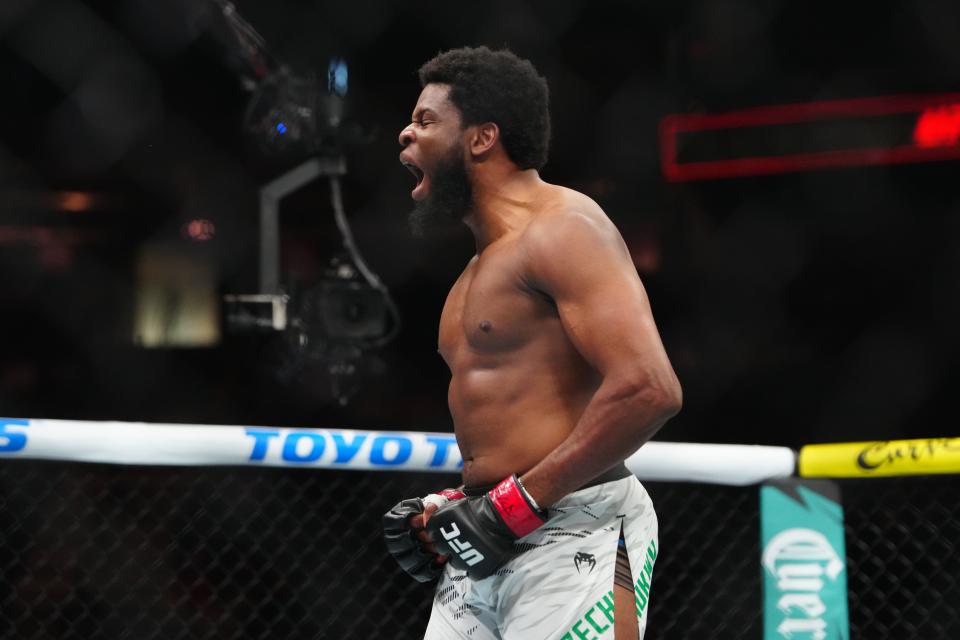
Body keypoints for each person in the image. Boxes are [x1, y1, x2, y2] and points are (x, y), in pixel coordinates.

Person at [383, 46, 682, 640]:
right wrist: (456, 505)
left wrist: (513, 507)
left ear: (481, 138)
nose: (404, 135)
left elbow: (649, 389)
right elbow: (515, 430)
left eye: (425, 120)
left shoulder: (564, 227)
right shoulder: (469, 280)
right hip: (484, 547)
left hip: (577, 528)